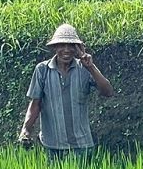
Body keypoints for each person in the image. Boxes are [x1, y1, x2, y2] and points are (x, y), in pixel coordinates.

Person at [19, 23, 113, 161]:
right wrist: (26, 129)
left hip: (81, 146)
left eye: (71, 45)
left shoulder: (85, 69)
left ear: (77, 49)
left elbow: (108, 92)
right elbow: (35, 104)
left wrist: (91, 67)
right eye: (62, 45)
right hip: (51, 146)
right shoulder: (42, 70)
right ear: (55, 47)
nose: (66, 50)